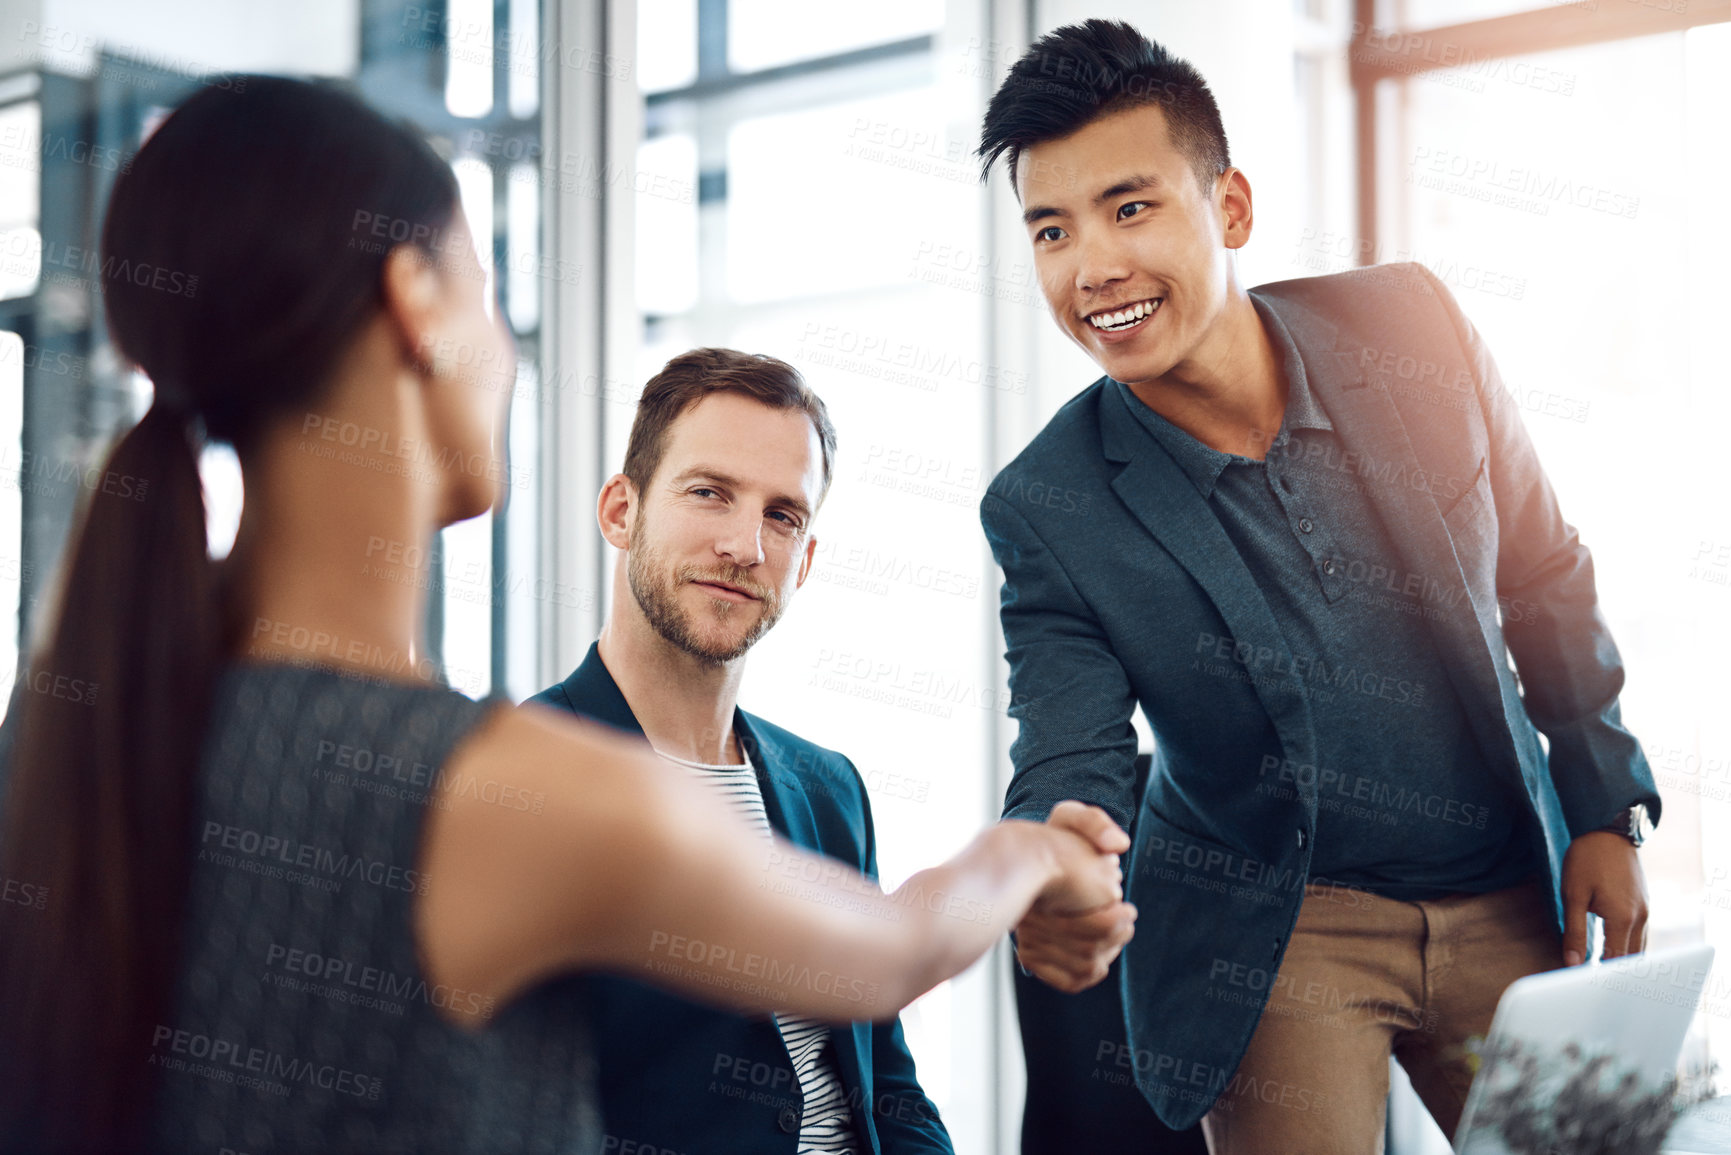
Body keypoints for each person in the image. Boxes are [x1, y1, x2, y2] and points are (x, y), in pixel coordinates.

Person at [0, 75, 1135, 1155]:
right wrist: (1030, 850)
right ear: (414, 302)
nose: (503, 357)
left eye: (782, 514)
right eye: (489, 298)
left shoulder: (73, 746)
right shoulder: (500, 791)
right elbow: (892, 952)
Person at [975, 20, 1660, 1153]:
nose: (1091, 268)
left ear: (1230, 208)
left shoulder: (1414, 329)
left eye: (1130, 207)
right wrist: (1053, 861)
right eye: (1052, 229)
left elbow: (1542, 568)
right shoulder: (1047, 505)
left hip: (1506, 883)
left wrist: (1604, 806)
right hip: (1281, 930)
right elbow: (1066, 750)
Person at [527, 346, 981, 1155]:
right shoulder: (530, 775)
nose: (745, 545)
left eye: (782, 515)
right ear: (619, 512)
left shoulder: (828, 786)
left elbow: (890, 1090)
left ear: (804, 560)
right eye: (709, 493)